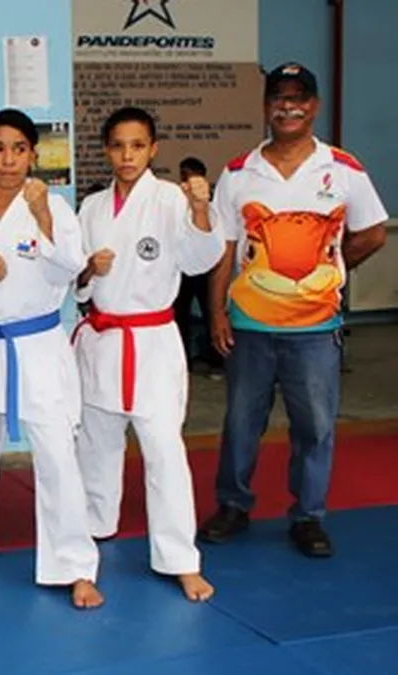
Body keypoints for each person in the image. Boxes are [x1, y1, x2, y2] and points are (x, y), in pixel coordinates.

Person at [201, 63, 388, 557]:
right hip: (249, 327)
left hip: (315, 330)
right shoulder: (238, 173)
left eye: (299, 97)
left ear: (314, 106)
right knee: (241, 423)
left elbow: (372, 232)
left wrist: (334, 265)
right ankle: (233, 505)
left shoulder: (343, 169)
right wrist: (216, 313)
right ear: (266, 106)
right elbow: (224, 249)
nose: (289, 106)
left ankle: (308, 516)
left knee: (315, 427)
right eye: (279, 97)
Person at [0, 108, 102, 609]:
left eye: (19, 149)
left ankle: (74, 564)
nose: (8, 160)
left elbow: (70, 269)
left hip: (37, 346)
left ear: (33, 156)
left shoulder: (57, 208)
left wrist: (44, 216)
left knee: (57, 455)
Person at [73, 107, 221, 602]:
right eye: (118, 145)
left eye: (137, 145)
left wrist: (200, 210)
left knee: (164, 451)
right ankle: (95, 525)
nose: (127, 155)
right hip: (102, 339)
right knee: (96, 445)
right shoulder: (92, 207)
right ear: (106, 150)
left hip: (152, 342)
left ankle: (180, 559)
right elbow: (75, 281)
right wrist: (88, 271)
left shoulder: (170, 200)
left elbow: (200, 259)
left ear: (153, 149)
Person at [173, 157, 224, 378]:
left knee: (210, 312)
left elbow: (217, 241)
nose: (187, 181)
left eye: (190, 175)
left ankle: (217, 361)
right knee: (180, 315)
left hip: (206, 272)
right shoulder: (175, 201)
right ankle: (183, 361)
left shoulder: (209, 203)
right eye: (183, 175)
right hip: (182, 272)